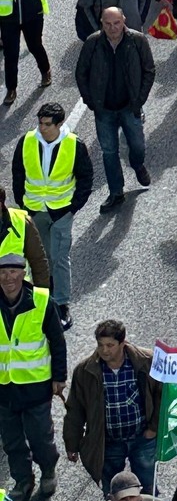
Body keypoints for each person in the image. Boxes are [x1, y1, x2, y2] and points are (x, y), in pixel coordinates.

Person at [12, 97, 91, 329]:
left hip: (60, 211)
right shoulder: (26, 141)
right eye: (40, 123)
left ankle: (62, 303)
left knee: (59, 258)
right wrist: (23, 202)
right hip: (34, 209)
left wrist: (72, 207)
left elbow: (85, 177)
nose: (42, 127)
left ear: (59, 124)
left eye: (47, 124)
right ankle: (42, 300)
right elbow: (18, 172)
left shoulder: (74, 144)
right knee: (40, 258)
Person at [62, 319, 160, 499]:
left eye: (110, 345)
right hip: (108, 442)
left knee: (147, 487)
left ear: (122, 343)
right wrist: (72, 443)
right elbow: (75, 410)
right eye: (101, 345)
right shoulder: (85, 371)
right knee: (113, 492)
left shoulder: (147, 361)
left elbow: (161, 395)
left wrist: (153, 428)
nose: (104, 350)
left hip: (142, 438)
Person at [74, 5, 155, 213]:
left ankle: (137, 165)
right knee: (109, 152)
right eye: (108, 24)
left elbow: (149, 70)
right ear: (102, 23)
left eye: (117, 23)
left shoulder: (137, 41)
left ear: (124, 20)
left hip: (130, 107)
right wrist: (90, 100)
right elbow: (81, 73)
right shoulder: (93, 43)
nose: (113, 28)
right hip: (104, 110)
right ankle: (116, 192)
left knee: (137, 146)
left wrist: (139, 100)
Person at [0, 248, 65, 501]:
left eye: (13, 272)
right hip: (4, 388)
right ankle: (22, 480)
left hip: (36, 386)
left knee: (40, 437)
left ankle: (48, 470)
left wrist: (59, 376)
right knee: (12, 440)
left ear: (23, 273)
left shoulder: (41, 301)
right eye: (3, 273)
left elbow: (57, 342)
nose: (8, 278)